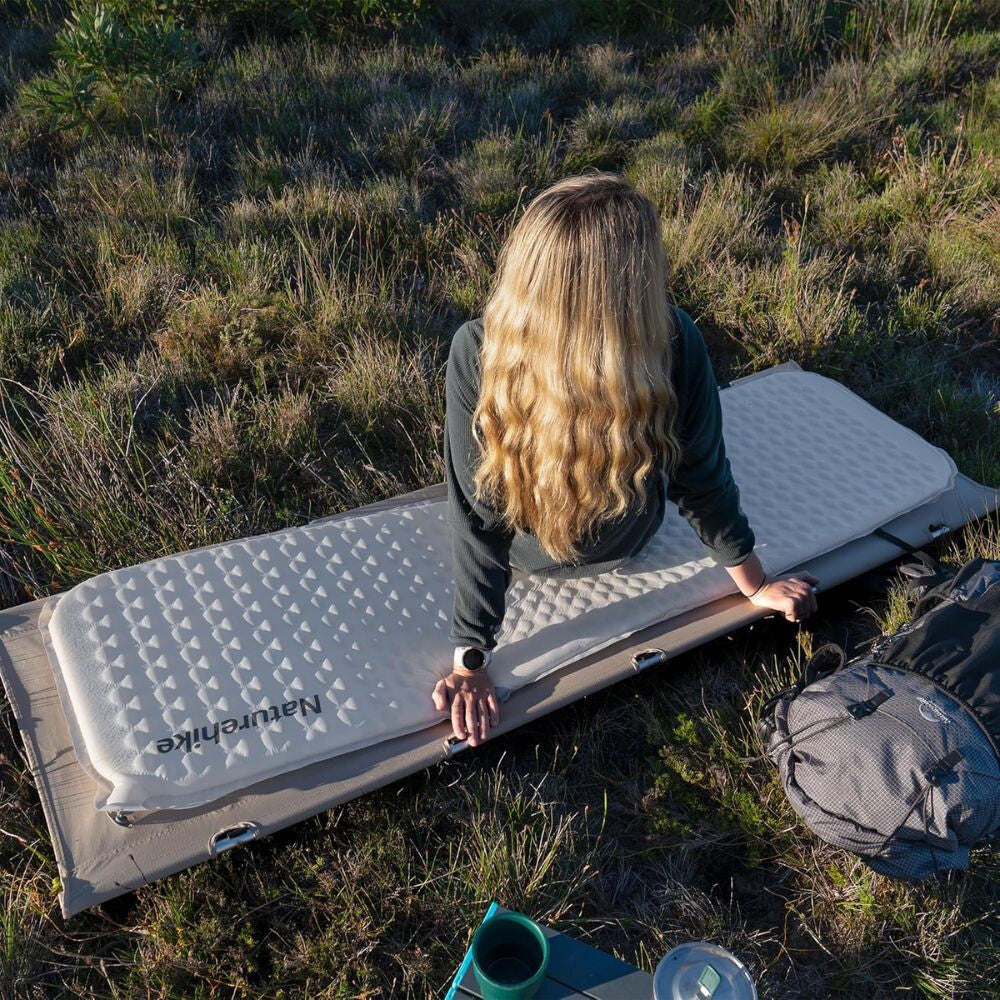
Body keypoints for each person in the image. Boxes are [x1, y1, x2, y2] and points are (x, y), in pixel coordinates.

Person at [433, 171, 819, 748]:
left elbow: (478, 519)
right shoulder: (677, 340)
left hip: (526, 553)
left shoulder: (474, 349)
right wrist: (754, 582)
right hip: (630, 535)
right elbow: (701, 478)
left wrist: (471, 657)